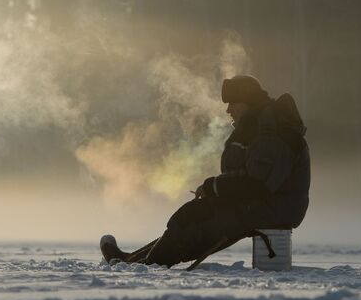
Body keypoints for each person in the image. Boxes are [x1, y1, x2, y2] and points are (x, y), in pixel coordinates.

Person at [100, 75, 310, 268]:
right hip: (265, 203)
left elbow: (257, 184)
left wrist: (214, 186)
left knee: (194, 218)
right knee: (193, 214)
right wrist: (215, 188)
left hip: (273, 207)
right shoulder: (260, 127)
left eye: (233, 103)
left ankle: (148, 265)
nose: (229, 110)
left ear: (248, 102)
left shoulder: (269, 134)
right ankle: (134, 260)